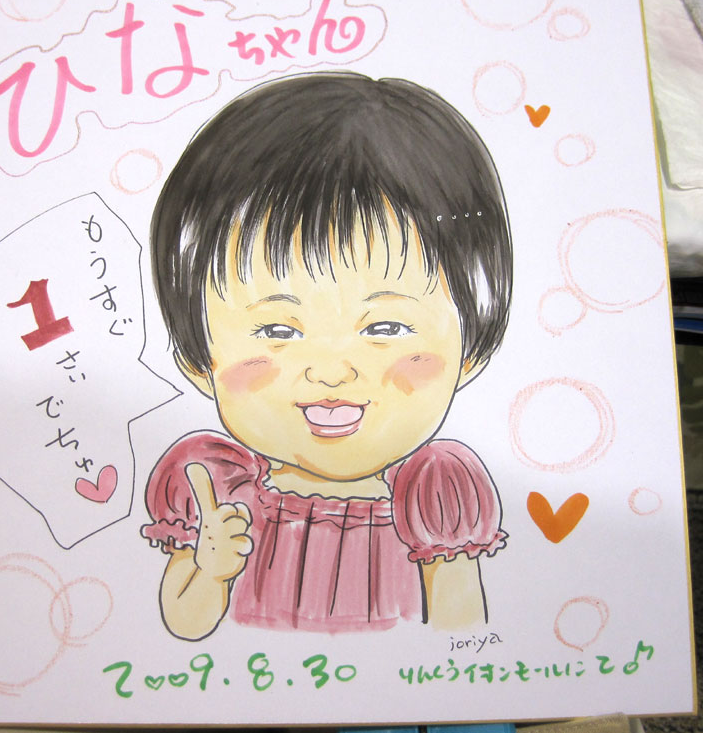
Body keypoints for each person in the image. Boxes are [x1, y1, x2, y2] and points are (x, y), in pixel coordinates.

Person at [141, 71, 512, 640]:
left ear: (472, 347)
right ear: (199, 358)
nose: (332, 371)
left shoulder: (436, 499)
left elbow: (458, 636)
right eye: (277, 330)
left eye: (386, 327)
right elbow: (185, 629)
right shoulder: (215, 488)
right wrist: (211, 571)